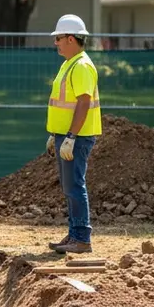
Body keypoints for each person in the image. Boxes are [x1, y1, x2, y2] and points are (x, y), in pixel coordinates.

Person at [45, 14, 101, 255]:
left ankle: (81, 238)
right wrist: (57, 134)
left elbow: (84, 103)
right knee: (70, 187)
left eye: (58, 38)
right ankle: (75, 234)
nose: (55, 42)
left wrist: (70, 136)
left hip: (76, 137)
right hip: (66, 135)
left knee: (75, 186)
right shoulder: (70, 63)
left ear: (70, 38)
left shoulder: (81, 66)